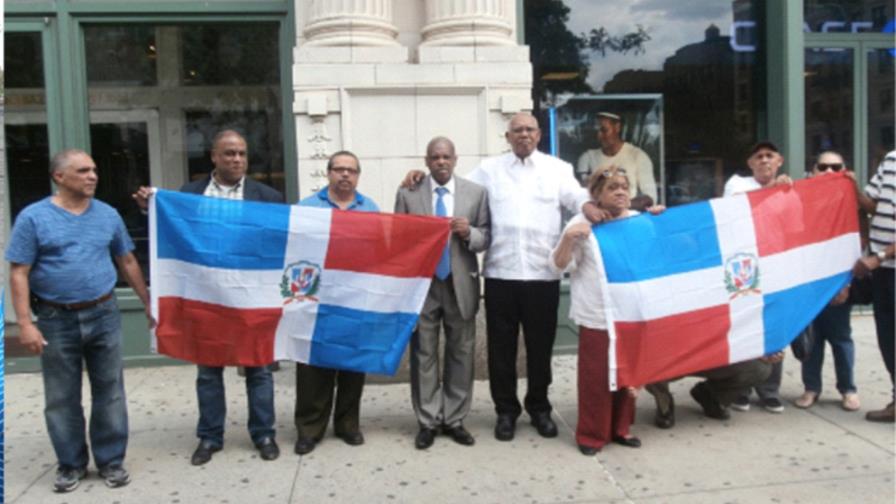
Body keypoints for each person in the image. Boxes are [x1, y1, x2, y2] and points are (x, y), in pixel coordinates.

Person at [402, 112, 592, 442]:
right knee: (500, 352)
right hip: (501, 275)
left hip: (543, 274)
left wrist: (591, 208)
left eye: (530, 130)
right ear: (507, 136)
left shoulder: (557, 170)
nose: (524, 135)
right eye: (517, 130)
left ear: (538, 135)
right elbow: (451, 183)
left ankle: (540, 408)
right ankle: (506, 412)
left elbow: (577, 199)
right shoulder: (490, 170)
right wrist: (420, 176)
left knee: (539, 349)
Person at [7, 149, 152, 492]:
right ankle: (70, 464)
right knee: (61, 396)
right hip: (56, 318)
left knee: (110, 392)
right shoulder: (33, 218)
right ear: (59, 176)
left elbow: (127, 260)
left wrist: (147, 302)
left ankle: (111, 461)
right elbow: (19, 273)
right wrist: (26, 323)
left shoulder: (107, 215)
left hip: (103, 313)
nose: (92, 176)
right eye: (83, 170)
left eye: (94, 170)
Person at [134, 129, 282, 465]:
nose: (237, 159)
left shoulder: (267, 197)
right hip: (207, 297)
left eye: (242, 153)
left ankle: (263, 433)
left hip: (250, 296)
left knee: (258, 369)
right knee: (208, 372)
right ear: (214, 156)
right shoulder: (190, 194)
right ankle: (210, 437)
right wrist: (150, 207)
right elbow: (168, 229)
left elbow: (280, 243)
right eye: (229, 153)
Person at [550, 167, 663, 455]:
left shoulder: (639, 222)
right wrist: (568, 239)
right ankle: (591, 434)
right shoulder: (581, 223)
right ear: (597, 194)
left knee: (626, 375)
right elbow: (557, 265)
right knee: (596, 377)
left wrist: (662, 223)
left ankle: (621, 428)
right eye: (613, 187)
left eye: (625, 186)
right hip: (597, 315)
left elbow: (656, 259)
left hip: (631, 314)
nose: (621, 192)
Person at [394, 137, 490, 450]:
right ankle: (428, 420)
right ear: (426, 160)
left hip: (460, 283)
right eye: (435, 157)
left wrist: (469, 233)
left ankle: (455, 418)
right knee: (424, 354)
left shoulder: (475, 194)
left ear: (455, 158)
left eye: (446, 156)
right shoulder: (408, 192)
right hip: (424, 285)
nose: (441, 162)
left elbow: (486, 236)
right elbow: (397, 237)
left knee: (461, 352)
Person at [294, 150, 380, 455]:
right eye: (339, 169)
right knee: (312, 368)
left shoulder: (370, 209)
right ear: (328, 173)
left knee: (351, 365)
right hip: (316, 300)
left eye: (351, 170)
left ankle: (347, 424)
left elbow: (378, 253)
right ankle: (309, 429)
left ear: (358, 176)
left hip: (355, 300)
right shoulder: (306, 208)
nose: (345, 175)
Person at [724, 141, 792, 413]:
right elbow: (736, 212)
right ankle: (740, 387)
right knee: (745, 324)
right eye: (758, 157)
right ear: (750, 163)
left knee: (774, 325)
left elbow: (795, 229)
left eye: (769, 156)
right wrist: (771, 191)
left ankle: (769, 390)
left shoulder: (790, 192)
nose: (764, 160)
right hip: (744, 268)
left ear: (780, 161)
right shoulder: (737, 184)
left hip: (775, 266)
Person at [794, 152, 859, 411]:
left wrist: (846, 284)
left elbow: (857, 247)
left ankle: (848, 389)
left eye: (836, 167)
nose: (830, 172)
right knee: (811, 340)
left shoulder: (851, 202)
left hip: (837, 286)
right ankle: (811, 388)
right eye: (824, 167)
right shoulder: (800, 200)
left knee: (841, 339)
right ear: (813, 171)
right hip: (809, 285)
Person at [852, 150, 895, 423]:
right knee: (888, 338)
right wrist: (852, 186)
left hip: (882, 262)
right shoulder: (891, 159)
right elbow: (873, 207)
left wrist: (879, 256)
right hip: (880, 271)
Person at [576, 112, 657, 209]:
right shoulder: (587, 157)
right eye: (595, 131)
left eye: (604, 130)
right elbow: (580, 194)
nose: (599, 136)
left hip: (628, 218)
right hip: (598, 218)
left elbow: (650, 198)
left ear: (617, 127)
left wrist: (621, 206)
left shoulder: (637, 156)